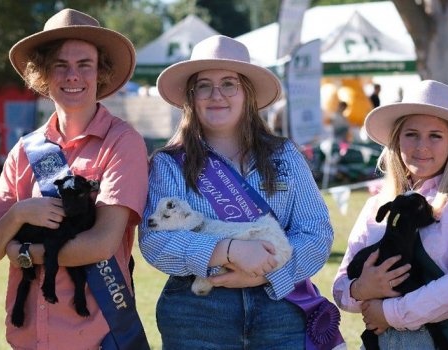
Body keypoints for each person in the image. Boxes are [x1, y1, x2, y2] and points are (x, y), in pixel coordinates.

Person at [140, 35, 340, 349]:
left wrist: (264, 273)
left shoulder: (285, 155)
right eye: (204, 85)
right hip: (197, 312)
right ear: (191, 97)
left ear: (246, 93)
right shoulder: (169, 164)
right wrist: (229, 250)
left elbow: (316, 231)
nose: (216, 94)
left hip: (279, 307)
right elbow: (156, 240)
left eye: (229, 83)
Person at [0, 9, 150, 350]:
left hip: (98, 337)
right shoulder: (24, 151)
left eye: (85, 64)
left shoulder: (122, 141)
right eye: (60, 65)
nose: (73, 75)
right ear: (43, 73)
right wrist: (19, 214)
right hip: (30, 339)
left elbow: (101, 244)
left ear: (100, 72)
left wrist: (22, 251)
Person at [333, 79, 448, 349]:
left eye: (435, 135)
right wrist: (361, 289)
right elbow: (341, 287)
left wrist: (390, 313)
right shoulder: (378, 204)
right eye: (411, 134)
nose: (421, 146)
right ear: (397, 139)